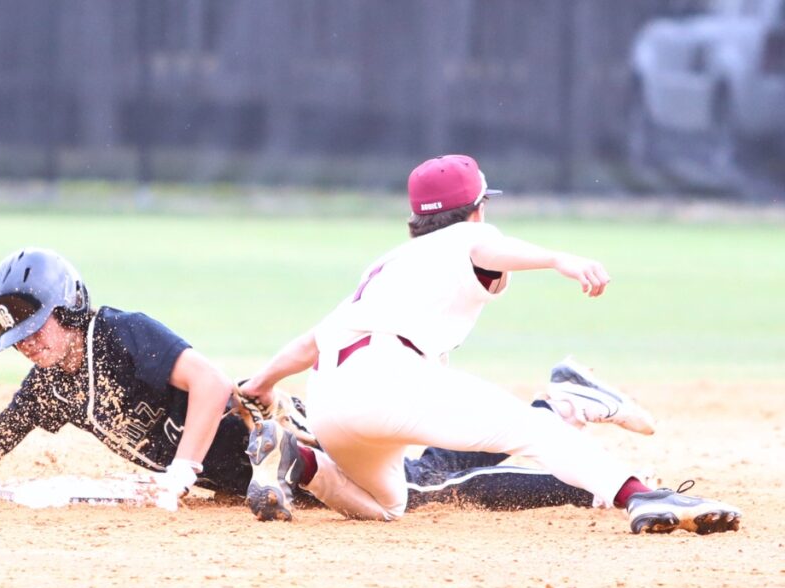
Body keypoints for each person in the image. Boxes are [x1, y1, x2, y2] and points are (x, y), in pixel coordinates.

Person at [0, 247, 653, 514]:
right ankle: (556, 407)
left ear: (70, 308)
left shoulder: (124, 334)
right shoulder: (50, 389)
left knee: (439, 482)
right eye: (20, 339)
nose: (31, 348)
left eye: (38, 328)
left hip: (285, 442)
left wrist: (178, 471)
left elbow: (209, 383)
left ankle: (561, 412)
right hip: (249, 476)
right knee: (427, 486)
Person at [239, 154, 742, 534]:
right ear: (476, 209)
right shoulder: (467, 238)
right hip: (391, 378)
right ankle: (642, 496)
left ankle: (297, 460)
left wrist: (260, 383)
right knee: (534, 429)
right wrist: (557, 259)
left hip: (330, 397)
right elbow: (485, 247)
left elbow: (312, 340)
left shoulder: (388, 264)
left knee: (389, 505)